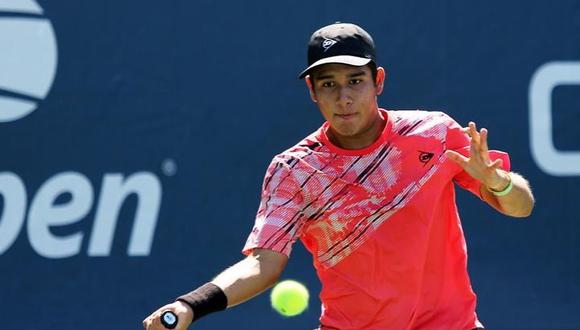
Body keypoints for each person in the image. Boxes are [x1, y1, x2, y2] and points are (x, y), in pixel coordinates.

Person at [143, 22, 535, 330]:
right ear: (312, 91)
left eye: (355, 82)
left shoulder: (434, 133)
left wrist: (498, 182)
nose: (344, 98)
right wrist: (190, 304)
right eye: (329, 84)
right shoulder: (294, 170)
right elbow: (263, 264)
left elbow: (522, 207)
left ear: (378, 81)